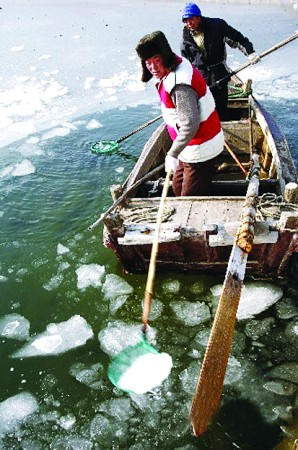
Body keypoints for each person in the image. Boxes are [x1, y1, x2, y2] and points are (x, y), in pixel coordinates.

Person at [135, 31, 224, 196]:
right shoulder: (176, 63)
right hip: (187, 147)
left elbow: (190, 124)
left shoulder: (179, 85)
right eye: (148, 62)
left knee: (188, 199)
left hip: (201, 148)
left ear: (165, 56)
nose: (153, 68)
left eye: (157, 60)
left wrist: (172, 153)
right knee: (177, 187)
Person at [180, 2, 260, 120]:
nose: (188, 23)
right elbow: (186, 64)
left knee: (221, 111)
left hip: (220, 75)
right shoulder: (185, 39)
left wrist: (250, 52)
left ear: (199, 17)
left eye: (191, 19)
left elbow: (237, 39)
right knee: (205, 113)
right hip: (202, 81)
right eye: (185, 21)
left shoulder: (217, 26)